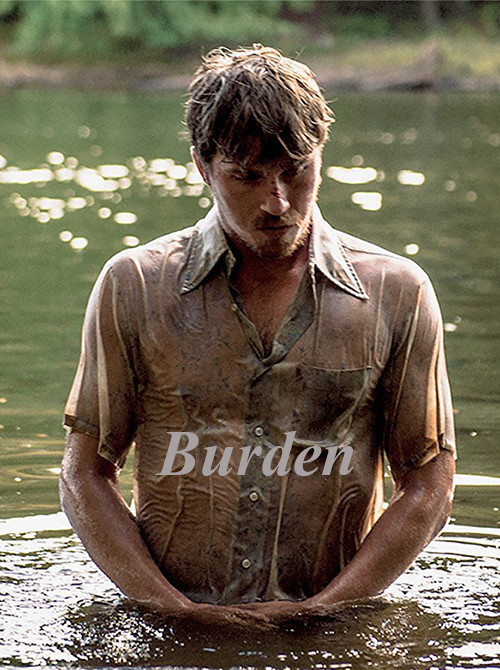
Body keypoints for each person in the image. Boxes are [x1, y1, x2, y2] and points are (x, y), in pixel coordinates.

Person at [60, 45, 455, 629]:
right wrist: (172, 610)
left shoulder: (396, 293)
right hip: (168, 626)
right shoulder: (135, 286)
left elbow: (427, 486)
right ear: (202, 168)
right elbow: (85, 474)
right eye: (247, 176)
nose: (277, 202)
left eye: (296, 171)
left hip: (330, 628)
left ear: (321, 156)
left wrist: (323, 610)